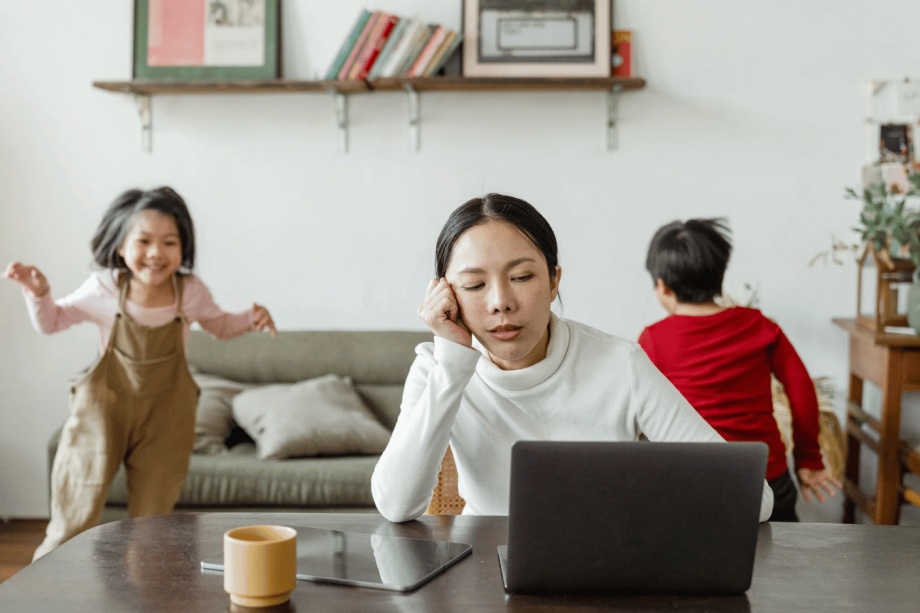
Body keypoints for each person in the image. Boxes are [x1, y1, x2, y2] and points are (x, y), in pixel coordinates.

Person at [371, 194, 774, 523]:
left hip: (606, 565)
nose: (501, 303)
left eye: (523, 277)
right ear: (446, 295)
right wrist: (453, 364)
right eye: (474, 284)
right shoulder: (437, 368)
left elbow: (754, 499)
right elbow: (395, 505)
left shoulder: (620, 364)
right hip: (483, 570)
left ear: (553, 281)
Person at [4, 186, 277, 559]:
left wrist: (250, 319)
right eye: (144, 240)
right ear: (120, 246)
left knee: (152, 528)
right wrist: (39, 294)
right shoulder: (104, 288)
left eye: (169, 242)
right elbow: (52, 322)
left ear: (183, 248)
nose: (155, 253)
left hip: (165, 418)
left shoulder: (190, 292)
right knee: (72, 518)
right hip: (102, 413)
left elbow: (220, 326)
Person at [637, 217, 841, 522]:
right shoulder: (760, 326)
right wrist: (808, 457)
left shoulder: (653, 339)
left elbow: (640, 410)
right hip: (766, 479)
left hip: (694, 484)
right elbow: (801, 390)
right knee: (781, 564)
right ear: (719, 276)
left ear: (663, 287)